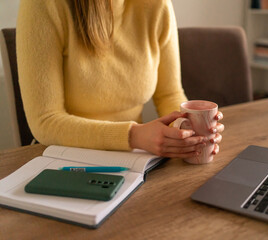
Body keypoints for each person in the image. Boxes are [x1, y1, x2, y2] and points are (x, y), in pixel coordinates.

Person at [16, 0, 224, 159]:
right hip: (61, 158)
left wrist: (187, 132)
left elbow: (169, 94)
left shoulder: (157, 5)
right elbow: (45, 121)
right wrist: (133, 136)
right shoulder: (43, 5)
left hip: (134, 159)